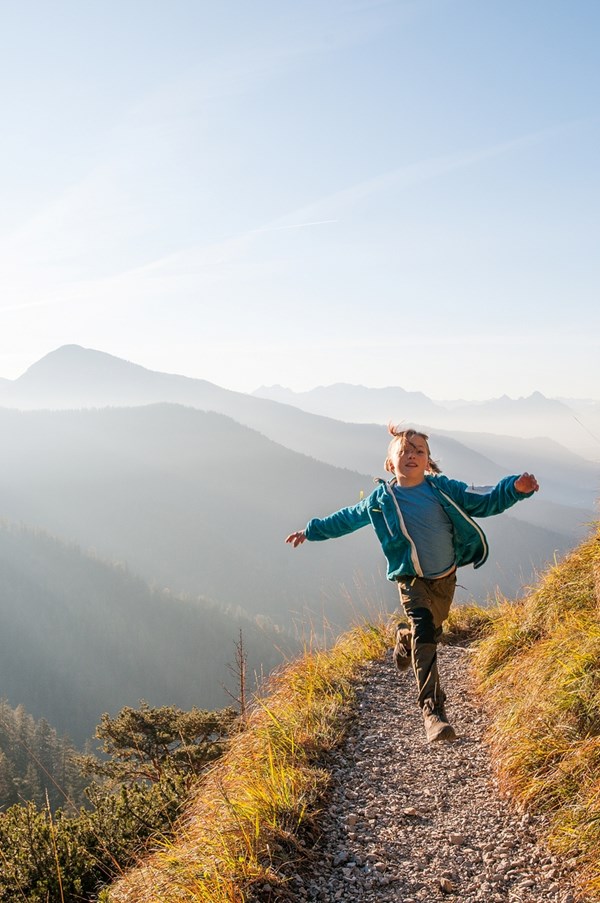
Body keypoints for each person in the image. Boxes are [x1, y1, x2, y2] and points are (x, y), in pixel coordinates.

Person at [286, 425, 539, 743]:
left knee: (430, 631)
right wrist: (311, 531)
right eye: (404, 450)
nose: (412, 455)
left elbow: (483, 500)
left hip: (445, 579)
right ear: (390, 463)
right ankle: (433, 712)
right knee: (426, 635)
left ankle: (404, 638)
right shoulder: (382, 500)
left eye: (419, 450)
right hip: (411, 580)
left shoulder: (442, 489)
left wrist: (515, 489)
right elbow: (347, 517)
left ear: (428, 462)